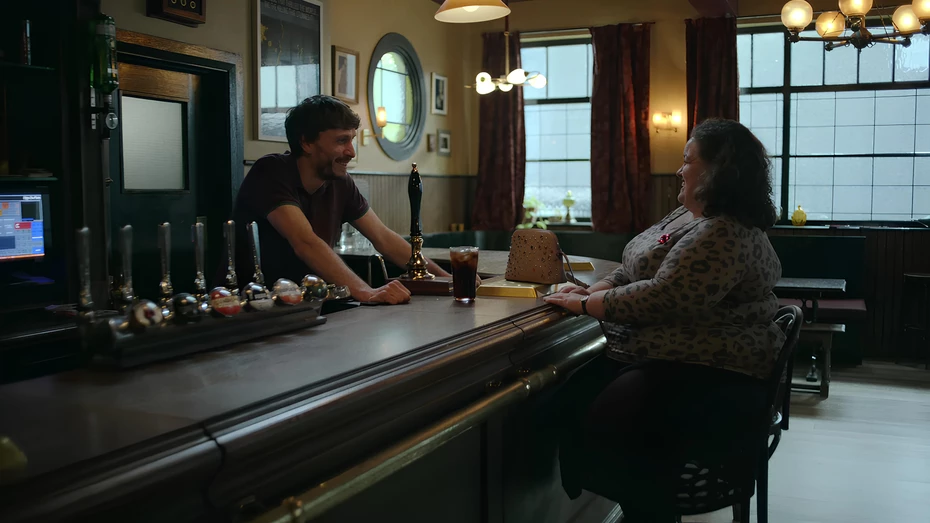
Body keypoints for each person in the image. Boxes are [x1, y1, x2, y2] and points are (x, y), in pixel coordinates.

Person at [542, 119, 785, 522]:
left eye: (688, 160)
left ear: (717, 170)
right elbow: (633, 266)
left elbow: (666, 297)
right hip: (665, 358)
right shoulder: (687, 215)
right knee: (567, 403)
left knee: (610, 420)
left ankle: (644, 511)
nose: (679, 169)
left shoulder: (724, 232)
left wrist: (585, 306)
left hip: (709, 370)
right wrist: (591, 291)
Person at [226, 95, 452, 305]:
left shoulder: (340, 182)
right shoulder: (271, 171)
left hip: (306, 306)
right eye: (342, 140)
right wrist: (366, 291)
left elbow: (383, 237)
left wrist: (448, 280)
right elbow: (305, 242)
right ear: (306, 143)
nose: (351, 152)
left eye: (351, 140)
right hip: (251, 308)